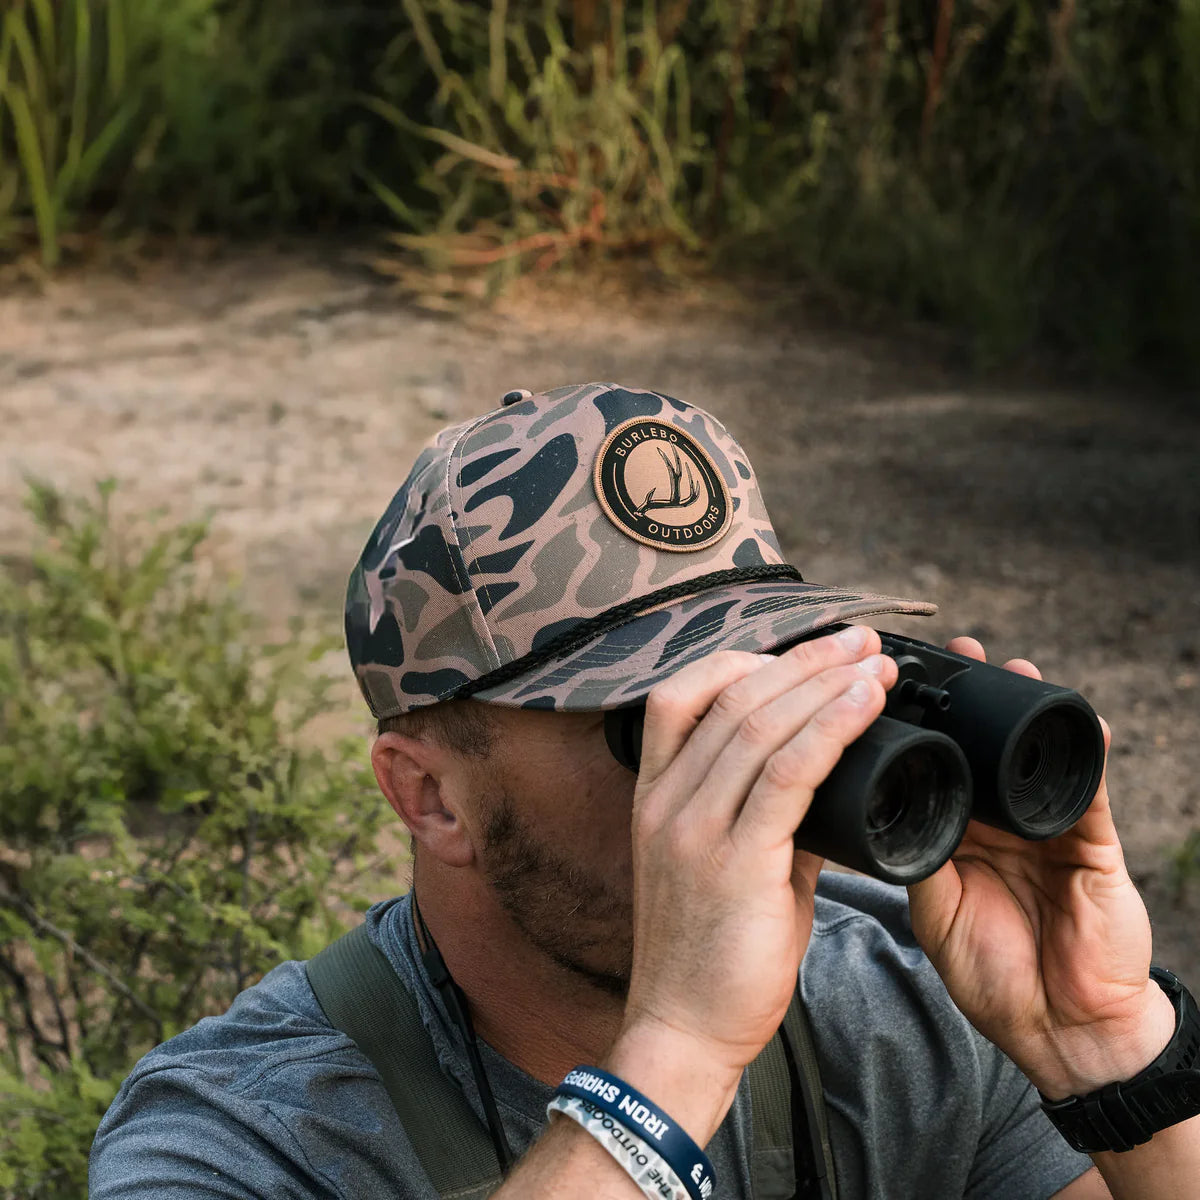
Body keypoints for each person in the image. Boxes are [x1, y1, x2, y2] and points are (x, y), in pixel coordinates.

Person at [90, 382, 1200, 1199]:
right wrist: (677, 1053)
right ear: (430, 796)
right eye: (654, 723)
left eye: (766, 682)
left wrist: (1103, 1047)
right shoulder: (241, 1135)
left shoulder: (897, 1003)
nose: (752, 768)